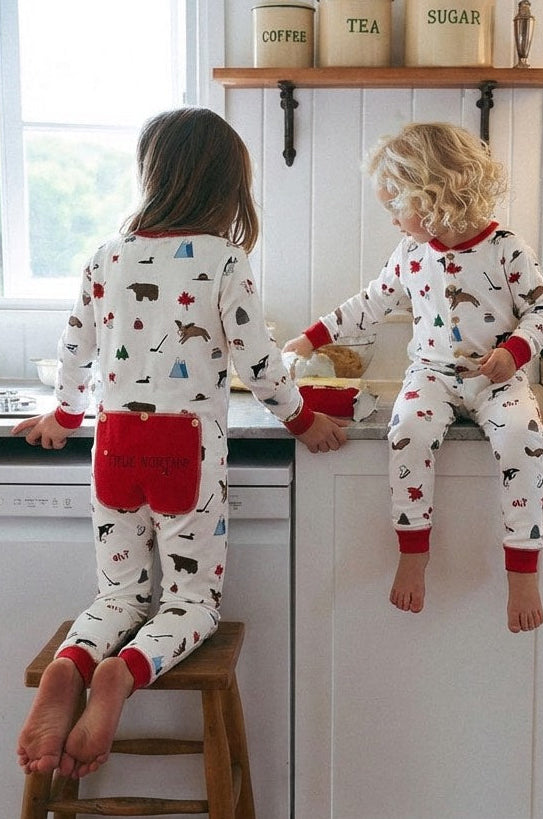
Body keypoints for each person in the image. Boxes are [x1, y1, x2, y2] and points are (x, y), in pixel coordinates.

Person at [13, 107, 349, 780]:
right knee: (190, 603)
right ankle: (124, 672)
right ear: (228, 186)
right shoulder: (224, 260)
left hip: (114, 446)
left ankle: (71, 664)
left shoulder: (106, 255)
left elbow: (74, 351)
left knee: (118, 596)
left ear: (154, 174)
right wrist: (303, 420)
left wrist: (66, 417)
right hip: (184, 454)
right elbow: (260, 364)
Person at [283, 122, 543, 634]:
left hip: (497, 377)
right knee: (407, 429)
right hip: (431, 375)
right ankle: (413, 552)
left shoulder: (506, 248)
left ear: (433, 197)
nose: (392, 219)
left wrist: (514, 352)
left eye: (396, 206)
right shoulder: (411, 254)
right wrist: (310, 338)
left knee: (523, 436)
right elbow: (369, 304)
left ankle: (523, 570)